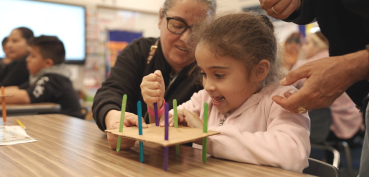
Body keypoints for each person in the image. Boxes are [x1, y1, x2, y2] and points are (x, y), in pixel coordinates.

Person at [141, 13, 310, 173]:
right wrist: (157, 106)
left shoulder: (282, 100)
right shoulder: (204, 99)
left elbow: (293, 154)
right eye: (204, 74)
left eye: (219, 75)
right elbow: (164, 130)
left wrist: (206, 136)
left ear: (259, 71)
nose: (207, 85)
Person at [259, 0, 369, 176]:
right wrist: (301, 6)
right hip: (355, 115)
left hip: (333, 125)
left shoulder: (310, 63)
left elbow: (285, 83)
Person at [92, 0, 217, 149]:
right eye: (177, 25)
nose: (186, 38)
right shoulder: (138, 52)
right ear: (160, 18)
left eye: (199, 30)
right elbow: (110, 92)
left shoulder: (211, 73)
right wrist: (114, 118)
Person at [293, 31, 363, 140]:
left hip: (330, 125)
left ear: (318, 45)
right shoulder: (344, 60)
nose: (303, 48)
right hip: (354, 118)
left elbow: (283, 85)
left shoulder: (304, 65)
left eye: (307, 43)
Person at [0, 35, 83, 119]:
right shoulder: (42, 77)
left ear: (48, 63)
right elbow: (18, 89)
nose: (27, 59)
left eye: (33, 56)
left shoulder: (54, 79)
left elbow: (25, 96)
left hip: (68, 128)